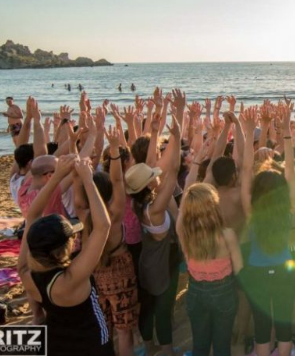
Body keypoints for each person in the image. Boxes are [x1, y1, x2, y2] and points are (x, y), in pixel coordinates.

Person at [17, 154, 114, 356]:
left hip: (56, 343)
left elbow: (32, 215)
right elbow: (102, 226)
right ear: (66, 246)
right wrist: (87, 179)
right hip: (91, 343)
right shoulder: (70, 280)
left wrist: (57, 176)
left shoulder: (26, 272)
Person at [125, 90, 185, 356]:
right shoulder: (156, 207)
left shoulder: (141, 201)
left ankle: (149, 348)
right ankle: (167, 351)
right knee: (162, 308)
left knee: (149, 305)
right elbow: (171, 171)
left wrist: (155, 129)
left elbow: (154, 166)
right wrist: (177, 132)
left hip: (148, 259)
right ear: (148, 183)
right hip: (163, 262)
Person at [238, 106, 295, 356]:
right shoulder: (289, 212)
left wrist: (249, 131)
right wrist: (285, 133)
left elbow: (244, 172)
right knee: (284, 328)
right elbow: (291, 175)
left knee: (262, 330)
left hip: (257, 273)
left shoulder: (252, 212)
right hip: (285, 272)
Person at [74, 127, 138, 356]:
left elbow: (77, 178)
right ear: (109, 191)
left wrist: (81, 145)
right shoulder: (115, 213)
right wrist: (113, 148)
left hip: (96, 273)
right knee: (125, 330)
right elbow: (118, 178)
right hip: (121, 270)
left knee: (105, 327)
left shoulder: (83, 213)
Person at [177, 183, 243, 356]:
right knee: (222, 347)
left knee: (200, 346)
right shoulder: (227, 235)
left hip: (195, 291)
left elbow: (181, 213)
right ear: (214, 205)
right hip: (224, 291)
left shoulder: (183, 231)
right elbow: (239, 269)